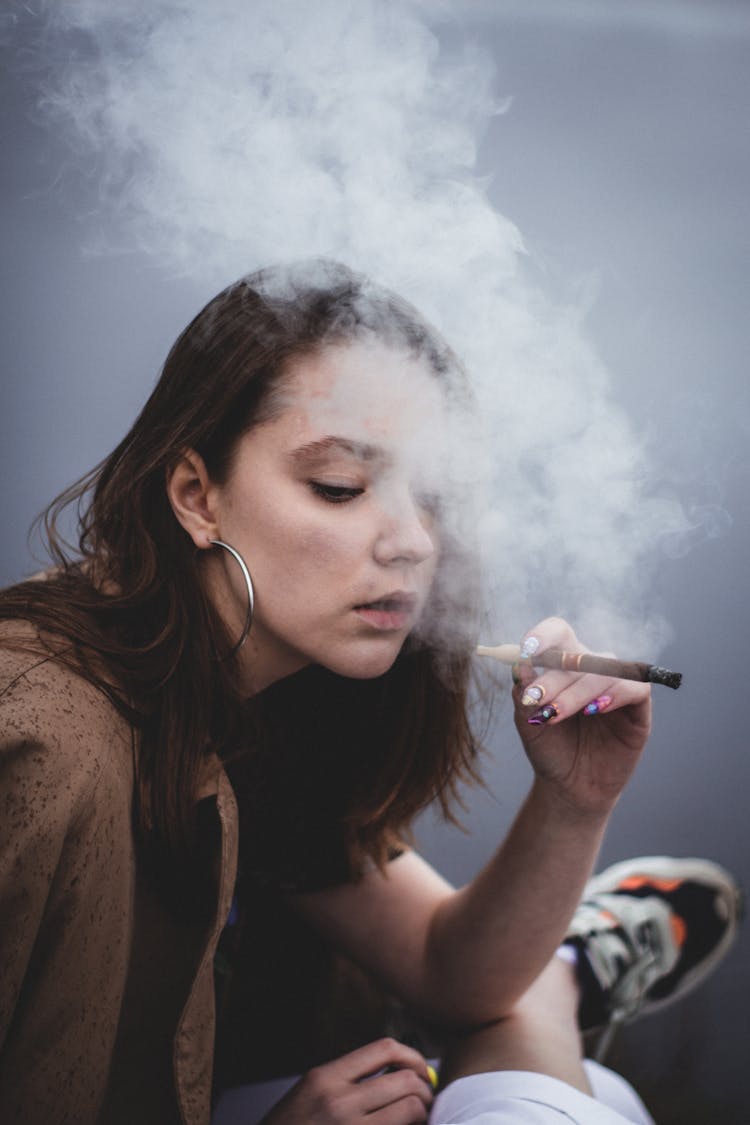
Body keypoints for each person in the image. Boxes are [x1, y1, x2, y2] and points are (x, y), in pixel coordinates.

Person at [0, 260, 740, 1125]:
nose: (414, 543)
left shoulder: (267, 693)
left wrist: (576, 798)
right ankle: (575, 966)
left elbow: (449, 969)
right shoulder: (37, 739)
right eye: (341, 487)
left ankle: (569, 966)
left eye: (432, 496)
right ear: (197, 496)